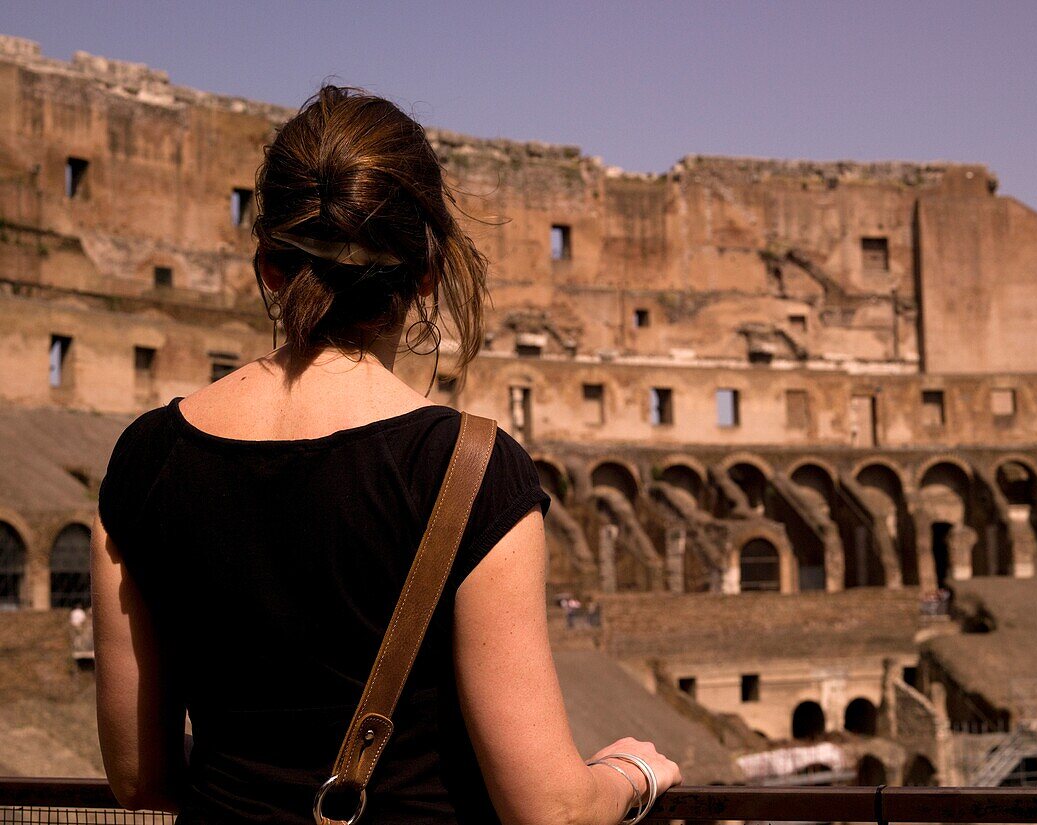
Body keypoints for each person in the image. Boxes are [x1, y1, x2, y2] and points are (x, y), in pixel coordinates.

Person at [92, 86, 680, 825]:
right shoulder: (469, 467)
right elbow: (550, 809)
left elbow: (142, 780)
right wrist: (631, 773)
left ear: (270, 265)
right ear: (426, 273)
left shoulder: (146, 459)